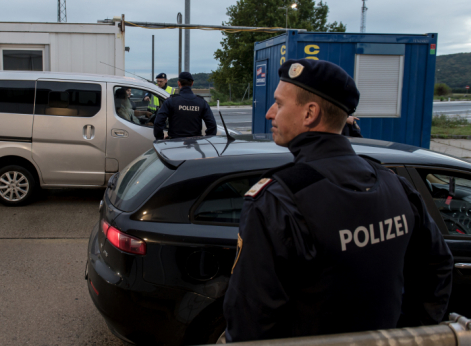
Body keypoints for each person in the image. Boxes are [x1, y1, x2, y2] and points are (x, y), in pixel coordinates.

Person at [223, 59, 453, 343]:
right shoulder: (394, 184)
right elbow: (437, 267)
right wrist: (409, 333)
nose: (271, 113)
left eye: (279, 104)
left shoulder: (278, 201)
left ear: (310, 113)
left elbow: (251, 320)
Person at [153, 72, 217, 140]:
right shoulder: (201, 102)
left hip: (174, 143)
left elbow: (158, 123)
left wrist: (160, 139)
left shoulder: (171, 101)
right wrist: (205, 140)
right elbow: (212, 126)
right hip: (195, 144)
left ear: (179, 83)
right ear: (192, 83)